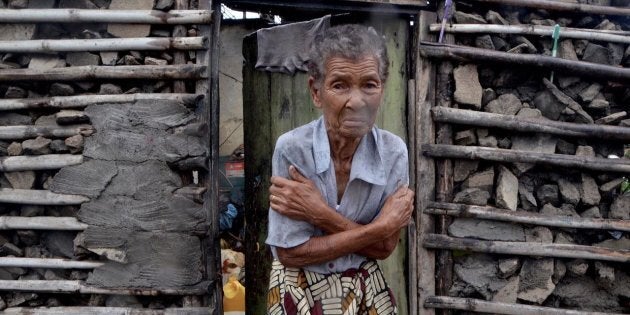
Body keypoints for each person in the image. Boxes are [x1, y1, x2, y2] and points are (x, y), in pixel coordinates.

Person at [266, 24, 414, 315]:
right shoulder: (293, 149)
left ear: (382, 90)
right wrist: (378, 228)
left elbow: (385, 248)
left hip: (363, 290)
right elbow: (289, 252)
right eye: (340, 85)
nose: (356, 102)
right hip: (299, 288)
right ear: (316, 92)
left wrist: (320, 215)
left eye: (369, 84)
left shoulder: (393, 152)